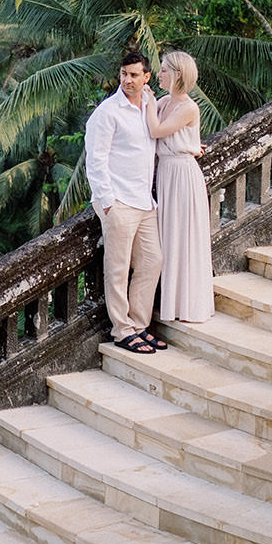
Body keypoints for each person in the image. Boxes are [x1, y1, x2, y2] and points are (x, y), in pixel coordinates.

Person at [85, 51, 166, 353]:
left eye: (134, 75)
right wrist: (107, 202)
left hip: (145, 201)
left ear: (146, 77)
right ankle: (122, 330)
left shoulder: (149, 105)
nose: (128, 80)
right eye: (124, 74)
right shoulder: (108, 113)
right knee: (117, 269)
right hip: (118, 201)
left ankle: (139, 324)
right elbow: (95, 160)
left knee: (151, 261)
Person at [145, 50, 214, 323]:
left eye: (163, 70)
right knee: (169, 236)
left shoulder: (188, 107)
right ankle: (172, 303)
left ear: (177, 74)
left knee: (184, 236)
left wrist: (149, 102)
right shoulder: (164, 102)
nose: (159, 74)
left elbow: (156, 131)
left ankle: (188, 304)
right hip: (167, 173)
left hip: (183, 176)